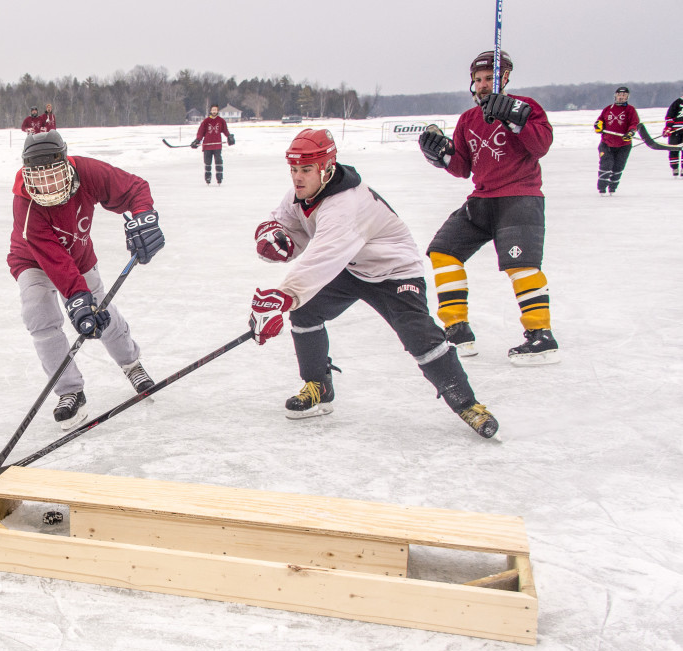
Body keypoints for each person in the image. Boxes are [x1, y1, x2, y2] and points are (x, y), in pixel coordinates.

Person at [248, 128, 498, 438]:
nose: (298, 177)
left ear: (326, 168)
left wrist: (282, 297)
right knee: (306, 311)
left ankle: (467, 404)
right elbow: (290, 225)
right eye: (294, 169)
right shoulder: (302, 194)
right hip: (353, 267)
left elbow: (323, 257)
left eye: (306, 169)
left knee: (418, 334)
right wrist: (275, 237)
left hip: (394, 272)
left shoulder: (345, 204)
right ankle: (318, 386)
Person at [8, 130, 164, 429]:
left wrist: (144, 216)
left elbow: (134, 188)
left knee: (101, 313)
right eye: (39, 177)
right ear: (27, 174)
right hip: (32, 260)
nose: (47, 185)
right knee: (40, 316)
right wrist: (78, 298)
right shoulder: (25, 204)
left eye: (53, 174)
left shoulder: (88, 172)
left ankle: (131, 364)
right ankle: (70, 392)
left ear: (66, 164)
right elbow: (52, 258)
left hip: (79, 258)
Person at [418, 50, 559, 366]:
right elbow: (462, 167)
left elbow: (541, 146)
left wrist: (513, 117)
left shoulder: (527, 107)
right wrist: (440, 155)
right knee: (443, 250)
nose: (482, 85)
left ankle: (541, 336)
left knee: (520, 264)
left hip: (520, 199)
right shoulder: (468, 119)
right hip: (481, 201)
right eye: (477, 80)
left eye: (489, 79)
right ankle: (456, 329)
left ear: (504, 79)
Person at [594, 86, 639, 194]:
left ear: (627, 97)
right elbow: (600, 120)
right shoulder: (608, 109)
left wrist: (630, 132)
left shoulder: (630, 110)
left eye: (624, 95)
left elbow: (634, 123)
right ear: (615, 96)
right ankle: (602, 189)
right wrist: (598, 126)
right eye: (619, 95)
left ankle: (612, 188)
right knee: (606, 164)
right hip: (607, 143)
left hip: (624, 144)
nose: (621, 97)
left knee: (618, 167)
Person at [190, 104, 235, 185]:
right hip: (207, 145)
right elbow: (200, 132)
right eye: (213, 110)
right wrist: (197, 140)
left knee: (218, 161)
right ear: (210, 111)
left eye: (215, 110)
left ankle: (219, 177)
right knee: (207, 162)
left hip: (217, 145)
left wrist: (229, 137)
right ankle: (208, 178)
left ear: (217, 111)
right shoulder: (206, 121)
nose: (214, 111)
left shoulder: (221, 121)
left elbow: (225, 131)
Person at [663, 90, 683, 176]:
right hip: (675, 131)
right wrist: (668, 128)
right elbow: (670, 116)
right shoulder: (677, 102)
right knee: (673, 149)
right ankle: (674, 168)